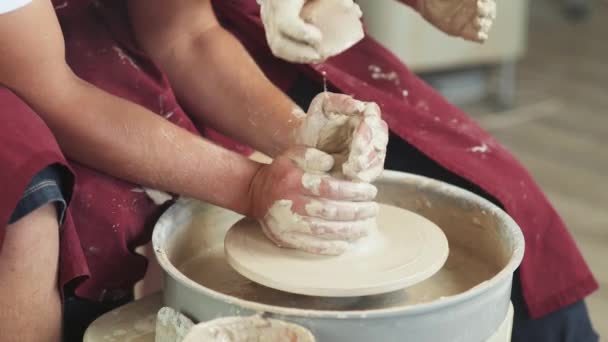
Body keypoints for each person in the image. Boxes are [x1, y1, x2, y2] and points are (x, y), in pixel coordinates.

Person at [0, 1, 598, 341]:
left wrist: (303, 137)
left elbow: (183, 36)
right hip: (27, 67)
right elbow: (54, 91)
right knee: (38, 210)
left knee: (484, 177)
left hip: (110, 29)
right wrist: (252, 185)